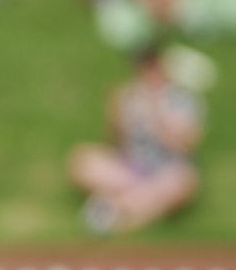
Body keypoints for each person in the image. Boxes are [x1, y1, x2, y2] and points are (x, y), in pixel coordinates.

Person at [68, 47, 203, 233]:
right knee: (81, 160)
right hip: (130, 170)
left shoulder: (183, 100)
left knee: (184, 183)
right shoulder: (129, 97)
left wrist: (157, 112)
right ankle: (135, 207)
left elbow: (186, 146)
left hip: (166, 171)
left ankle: (116, 210)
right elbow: (114, 146)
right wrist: (114, 119)